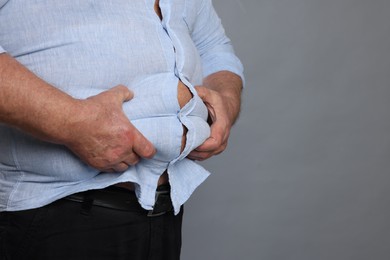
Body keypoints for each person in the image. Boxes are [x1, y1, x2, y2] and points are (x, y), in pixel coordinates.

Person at [0, 0, 244, 259]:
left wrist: (226, 100)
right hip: (53, 211)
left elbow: (213, 46)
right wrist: (72, 121)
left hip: (163, 213)